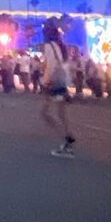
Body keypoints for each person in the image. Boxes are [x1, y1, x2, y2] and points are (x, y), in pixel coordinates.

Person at [39, 22, 76, 156]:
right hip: (62, 80)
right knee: (61, 113)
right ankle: (67, 137)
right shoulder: (61, 45)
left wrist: (45, 82)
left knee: (44, 113)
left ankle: (66, 139)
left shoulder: (49, 46)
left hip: (54, 82)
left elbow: (51, 66)